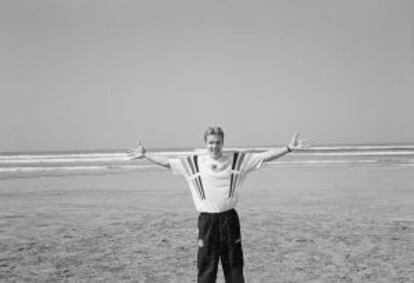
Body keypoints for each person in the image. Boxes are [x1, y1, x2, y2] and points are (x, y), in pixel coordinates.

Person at [127, 126, 311, 283]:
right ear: (205, 143)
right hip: (206, 221)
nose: (214, 146)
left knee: (234, 266)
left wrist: (288, 148)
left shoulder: (237, 160)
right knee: (206, 267)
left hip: (229, 219)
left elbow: (264, 157)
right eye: (211, 142)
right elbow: (167, 162)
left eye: (217, 142)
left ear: (223, 143)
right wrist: (145, 155)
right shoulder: (194, 162)